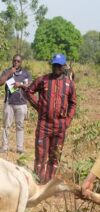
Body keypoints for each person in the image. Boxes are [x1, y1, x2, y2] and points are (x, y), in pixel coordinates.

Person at [25, 54, 77, 184]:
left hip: (60, 127)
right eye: (54, 65)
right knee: (40, 155)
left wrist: (68, 120)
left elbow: (73, 103)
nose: (56, 68)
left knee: (55, 157)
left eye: (59, 65)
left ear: (63, 66)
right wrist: (39, 107)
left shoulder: (69, 84)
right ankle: (38, 183)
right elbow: (28, 91)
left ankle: (49, 183)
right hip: (44, 125)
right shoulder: (42, 80)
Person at [0, 54, 32, 154]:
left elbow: (30, 86)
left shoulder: (26, 73)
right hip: (9, 103)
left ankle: (20, 148)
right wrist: (9, 73)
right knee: (6, 126)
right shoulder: (7, 71)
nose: (16, 63)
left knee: (20, 126)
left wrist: (20, 85)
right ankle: (4, 147)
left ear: (21, 62)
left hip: (21, 103)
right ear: (12, 61)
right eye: (14, 61)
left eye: (18, 61)